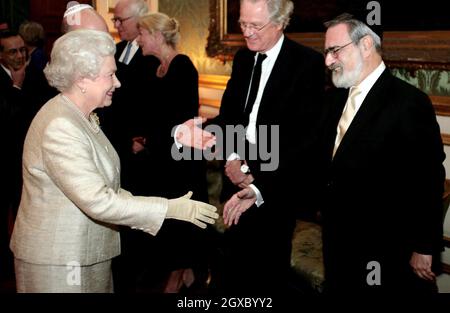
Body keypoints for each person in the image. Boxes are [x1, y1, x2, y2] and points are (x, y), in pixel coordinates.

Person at [9, 29, 218, 293]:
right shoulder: (61, 125)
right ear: (83, 80)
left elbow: (108, 187)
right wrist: (169, 209)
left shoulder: (82, 116)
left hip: (86, 253)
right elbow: (98, 200)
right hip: (60, 261)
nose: (117, 82)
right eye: (110, 75)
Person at [317, 13, 445, 293]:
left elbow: (428, 179)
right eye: (326, 52)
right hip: (338, 244)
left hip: (386, 252)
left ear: (365, 45)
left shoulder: (408, 103)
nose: (328, 61)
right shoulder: (334, 98)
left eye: (334, 51)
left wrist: (424, 246)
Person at [210, 0, 325, 293]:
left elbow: (305, 140)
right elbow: (230, 117)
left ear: (280, 22)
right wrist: (234, 158)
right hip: (234, 181)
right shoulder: (242, 59)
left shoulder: (307, 64)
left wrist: (254, 176)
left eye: (255, 26)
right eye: (243, 24)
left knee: (265, 279)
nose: (247, 33)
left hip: (275, 190)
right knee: (231, 272)